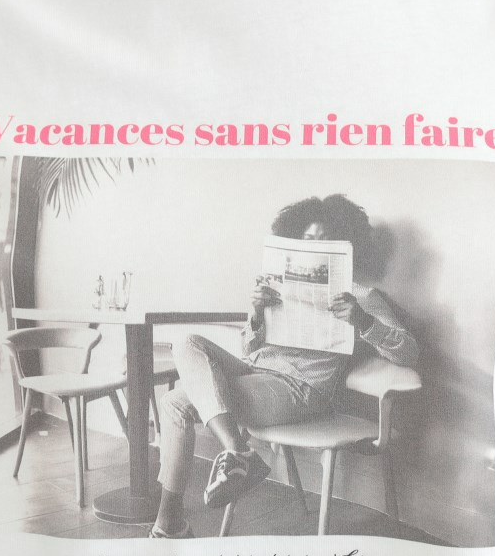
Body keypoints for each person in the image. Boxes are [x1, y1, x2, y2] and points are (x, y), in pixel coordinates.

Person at [148, 194, 419, 538]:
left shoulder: (361, 296)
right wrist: (257, 313)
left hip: (301, 389)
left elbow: (409, 353)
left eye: (325, 241)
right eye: (307, 240)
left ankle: (171, 522)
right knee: (186, 342)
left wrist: (364, 321)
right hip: (256, 372)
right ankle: (235, 456)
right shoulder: (279, 287)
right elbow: (249, 349)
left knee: (175, 403)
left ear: (345, 246)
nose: (314, 248)